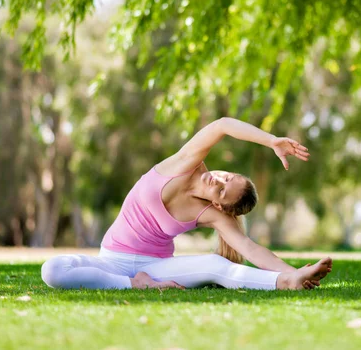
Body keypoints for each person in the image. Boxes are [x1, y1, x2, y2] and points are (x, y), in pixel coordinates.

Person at [41, 117, 332, 291]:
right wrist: (271, 141)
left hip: (156, 267)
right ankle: (133, 285)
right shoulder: (187, 162)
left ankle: (285, 284)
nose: (217, 181)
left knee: (216, 265)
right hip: (111, 259)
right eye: (226, 177)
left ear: (219, 206)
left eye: (222, 192)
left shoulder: (212, 215)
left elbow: (250, 248)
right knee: (52, 270)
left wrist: (292, 273)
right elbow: (222, 125)